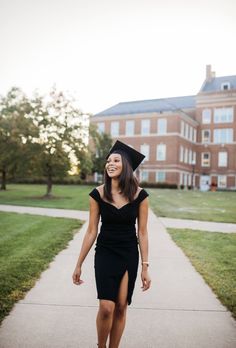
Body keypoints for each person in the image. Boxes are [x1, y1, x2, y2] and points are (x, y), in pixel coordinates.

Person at [72, 140, 151, 348]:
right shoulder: (97, 194)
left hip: (128, 253)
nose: (110, 164)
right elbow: (91, 231)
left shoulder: (140, 196)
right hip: (105, 252)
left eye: (116, 160)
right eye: (108, 161)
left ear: (126, 165)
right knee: (107, 307)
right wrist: (79, 263)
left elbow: (142, 232)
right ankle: (101, 346)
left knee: (121, 307)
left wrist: (145, 266)